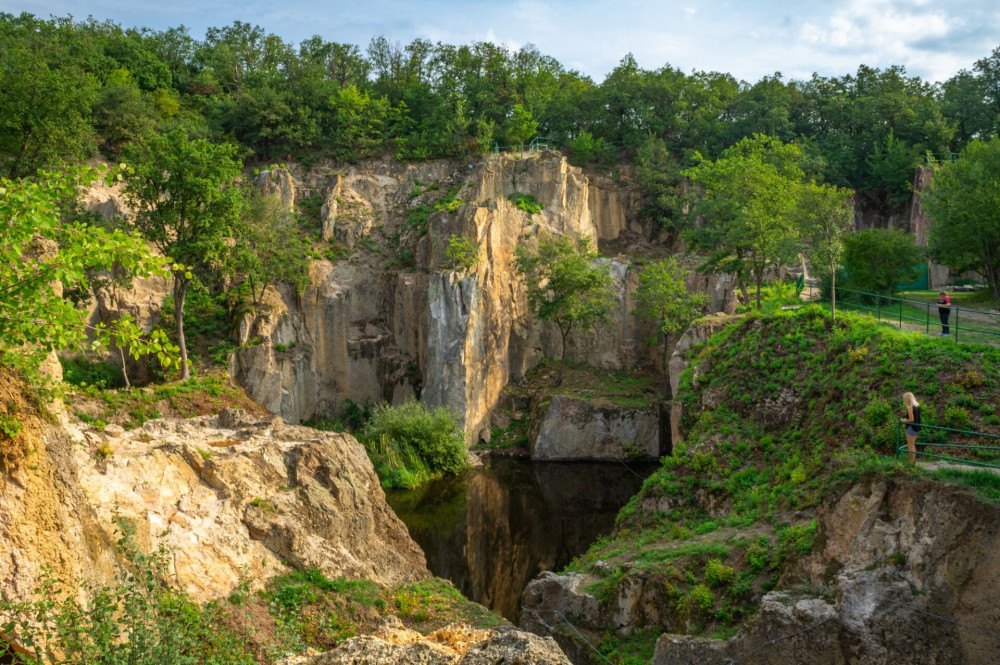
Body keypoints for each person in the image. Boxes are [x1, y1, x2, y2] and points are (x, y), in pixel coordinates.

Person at [902, 392, 921, 463]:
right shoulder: (917, 406)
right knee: (913, 445)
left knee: (910, 446)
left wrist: (903, 421)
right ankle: (913, 460)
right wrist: (906, 412)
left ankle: (911, 461)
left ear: (907, 399)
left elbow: (911, 420)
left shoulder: (909, 407)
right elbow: (915, 415)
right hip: (917, 427)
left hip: (911, 428)